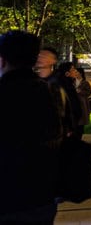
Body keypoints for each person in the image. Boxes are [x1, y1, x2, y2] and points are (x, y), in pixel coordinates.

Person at [0, 30, 61, 224]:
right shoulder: (48, 90)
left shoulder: (4, 91)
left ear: (2, 60)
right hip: (41, 194)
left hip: (7, 196)